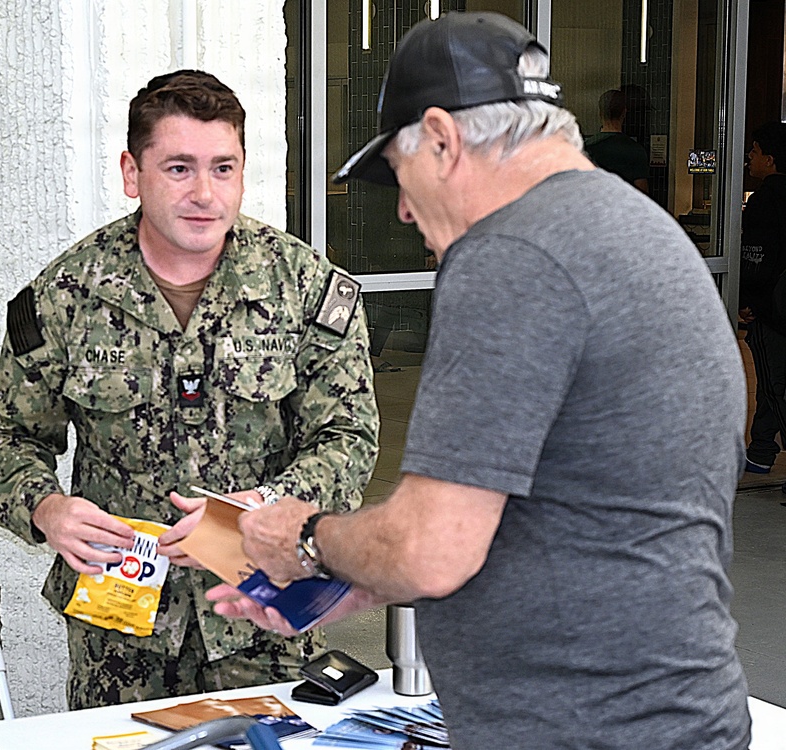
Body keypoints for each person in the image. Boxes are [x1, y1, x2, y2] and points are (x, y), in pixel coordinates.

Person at [203, 13, 751, 750]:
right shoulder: (638, 230)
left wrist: (304, 538)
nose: (401, 209)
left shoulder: (512, 254)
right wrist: (365, 579)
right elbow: (579, 509)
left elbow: (433, 547)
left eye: (398, 175)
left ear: (441, 137)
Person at [0, 70, 380, 709]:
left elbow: (348, 437)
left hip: (262, 606)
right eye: (179, 168)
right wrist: (45, 508)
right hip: (123, 628)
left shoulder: (303, 289)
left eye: (223, 168)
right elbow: (7, 433)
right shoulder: (68, 296)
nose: (205, 194)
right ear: (133, 174)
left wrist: (265, 507)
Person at [738, 121, 786, 476]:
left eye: (754, 152)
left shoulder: (764, 202)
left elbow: (757, 259)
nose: (749, 159)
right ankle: (761, 450)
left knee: (772, 385)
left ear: (769, 160)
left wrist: (747, 300)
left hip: (772, 310)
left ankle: (763, 449)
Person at [584, 89, 650, 193]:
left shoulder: (586, 148)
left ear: (600, 112)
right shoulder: (636, 150)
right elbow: (642, 193)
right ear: (624, 113)